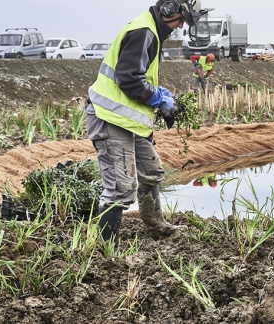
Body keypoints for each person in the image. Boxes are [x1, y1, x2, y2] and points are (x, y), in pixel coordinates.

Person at [85, 0, 204, 245]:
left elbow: (138, 76)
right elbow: (129, 80)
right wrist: (158, 98)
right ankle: (107, 249)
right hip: (110, 118)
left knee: (152, 172)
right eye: (182, 18)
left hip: (127, 119)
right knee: (120, 188)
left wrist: (158, 93)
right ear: (169, 9)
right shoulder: (144, 32)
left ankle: (156, 225)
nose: (181, 25)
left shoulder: (151, 32)